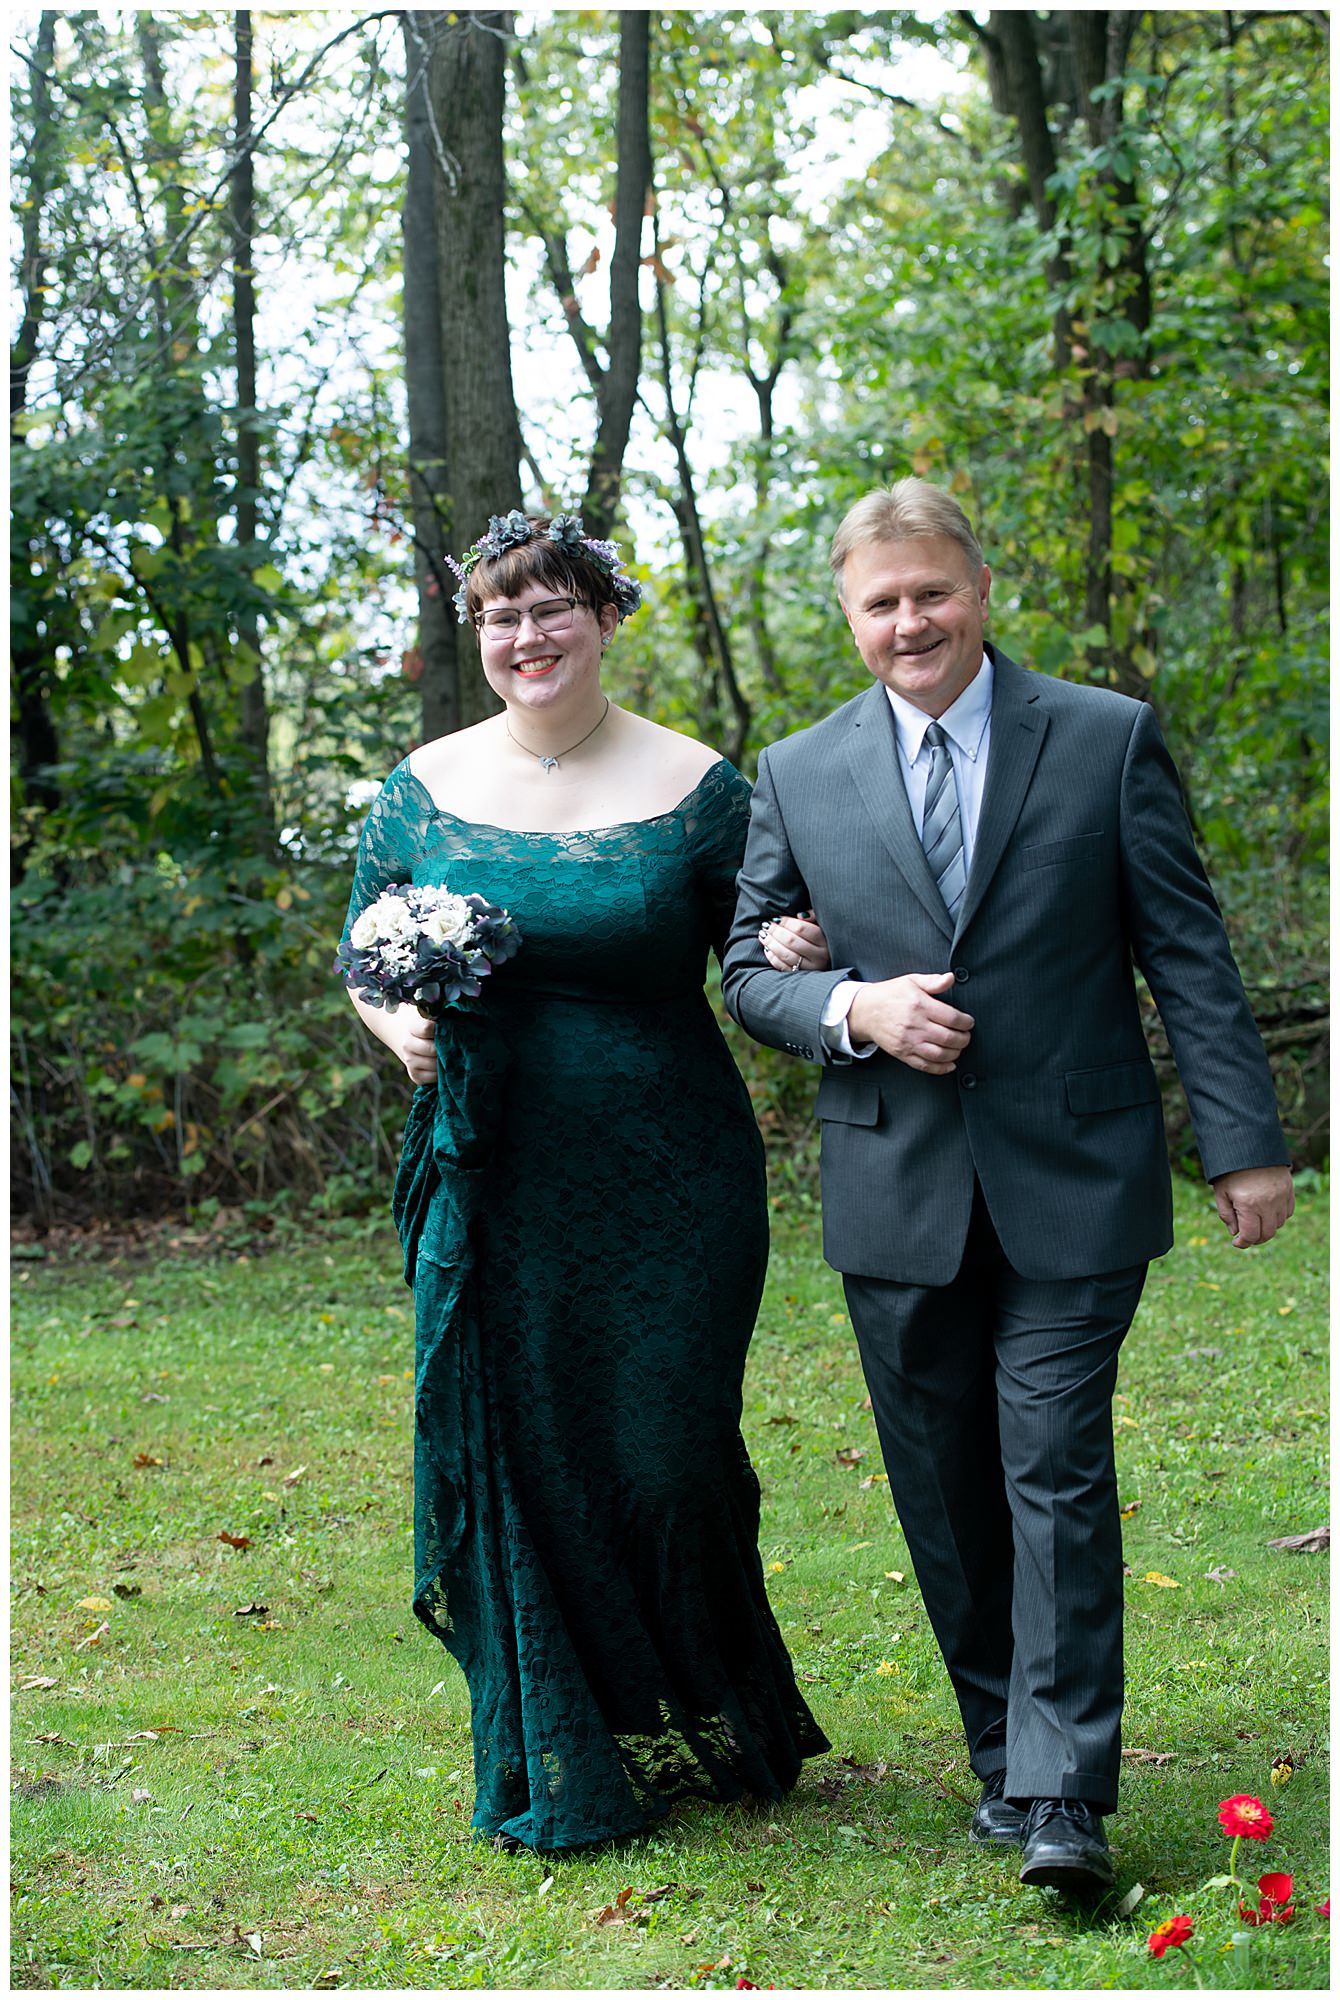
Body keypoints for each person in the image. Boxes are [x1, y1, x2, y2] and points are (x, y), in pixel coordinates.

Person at [725, 479, 1293, 1895]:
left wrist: (1244, 1141)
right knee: (945, 1486)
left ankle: (1062, 1795)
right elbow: (746, 971)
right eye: (881, 602)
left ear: (982, 589)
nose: (910, 620)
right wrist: (850, 1007)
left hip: (1074, 1176)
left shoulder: (1102, 739)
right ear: (849, 619)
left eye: (932, 591)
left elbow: (1190, 954)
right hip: (893, 1187)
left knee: (1052, 1466)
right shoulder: (797, 771)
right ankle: (997, 1745)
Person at [340, 510, 829, 1853]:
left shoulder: (703, 786)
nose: (526, 635)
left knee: (671, 1460)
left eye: (551, 608)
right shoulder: (422, 787)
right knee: (529, 1453)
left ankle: (715, 1717)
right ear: (478, 634)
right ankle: (568, 1744)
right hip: (492, 1171)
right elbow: (363, 945)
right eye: (501, 615)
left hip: (674, 1172)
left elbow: (762, 942)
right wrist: (397, 1028)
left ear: (605, 617)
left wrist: (794, 939)